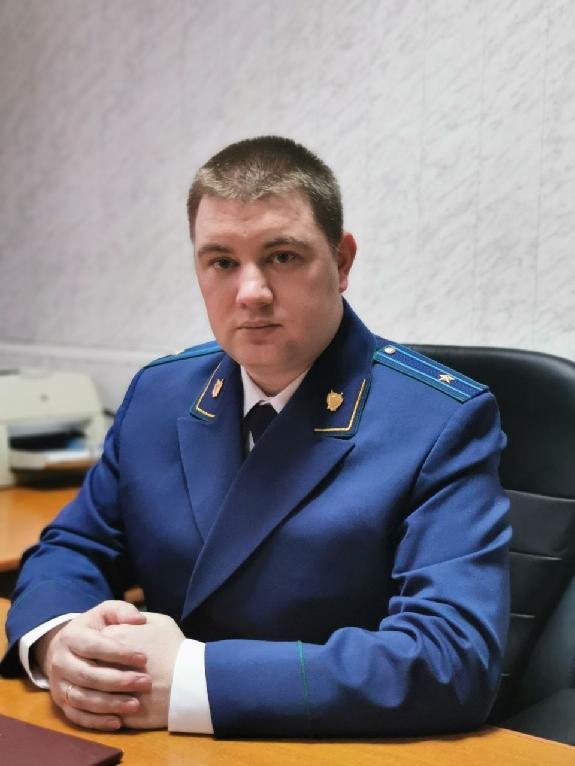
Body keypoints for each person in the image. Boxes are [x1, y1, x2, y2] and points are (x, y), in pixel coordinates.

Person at [0, 136, 510, 739]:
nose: (251, 293)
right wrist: (59, 638)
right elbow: (73, 548)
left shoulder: (439, 421)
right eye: (221, 262)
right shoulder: (161, 394)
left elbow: (451, 659)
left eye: (283, 256)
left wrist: (190, 680)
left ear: (342, 262)